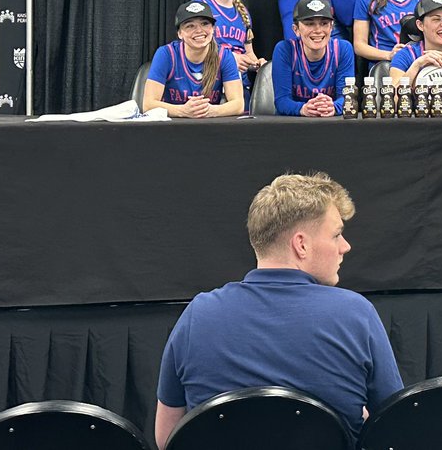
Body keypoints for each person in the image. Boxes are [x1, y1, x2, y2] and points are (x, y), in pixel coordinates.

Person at [155, 172, 402, 447]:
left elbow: (167, 439)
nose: (345, 246)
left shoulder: (196, 315)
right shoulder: (357, 315)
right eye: (337, 234)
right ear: (301, 244)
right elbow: (397, 429)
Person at [142, 0, 244, 118]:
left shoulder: (224, 56)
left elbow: (238, 104)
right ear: (180, 33)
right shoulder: (166, 54)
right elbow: (148, 105)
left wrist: (211, 111)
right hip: (172, 128)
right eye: (190, 26)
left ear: (213, 29)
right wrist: (182, 111)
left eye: (205, 23)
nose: (199, 30)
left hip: (209, 128)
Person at [194, 0, 264, 108]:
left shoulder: (243, 12)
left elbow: (248, 52)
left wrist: (257, 64)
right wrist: (229, 58)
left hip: (239, 87)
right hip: (209, 86)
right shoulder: (201, 5)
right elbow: (191, 48)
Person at [271, 0, 356, 117]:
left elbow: (347, 97)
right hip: (292, 127)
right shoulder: (285, 50)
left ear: (331, 28)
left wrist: (333, 107)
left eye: (324, 23)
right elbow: (282, 100)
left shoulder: (343, 49)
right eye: (309, 24)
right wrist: (304, 108)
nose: (318, 30)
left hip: (330, 125)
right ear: (296, 29)